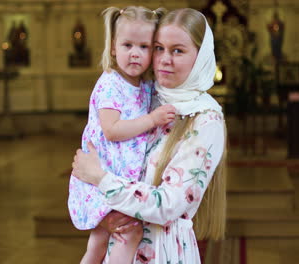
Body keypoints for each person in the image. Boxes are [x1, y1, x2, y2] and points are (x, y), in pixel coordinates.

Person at [72, 8, 227, 263]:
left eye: (177, 50)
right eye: (158, 48)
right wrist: (105, 213)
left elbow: (169, 204)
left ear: (200, 57)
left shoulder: (206, 118)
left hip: (162, 250)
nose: (165, 59)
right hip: (121, 243)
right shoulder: (147, 96)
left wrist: (101, 179)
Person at [67, 6, 176, 264]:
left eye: (144, 47)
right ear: (113, 47)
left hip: (120, 179)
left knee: (100, 242)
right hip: (101, 178)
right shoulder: (110, 83)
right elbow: (112, 130)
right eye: (127, 45)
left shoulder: (146, 86)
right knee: (124, 235)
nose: (135, 54)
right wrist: (151, 119)